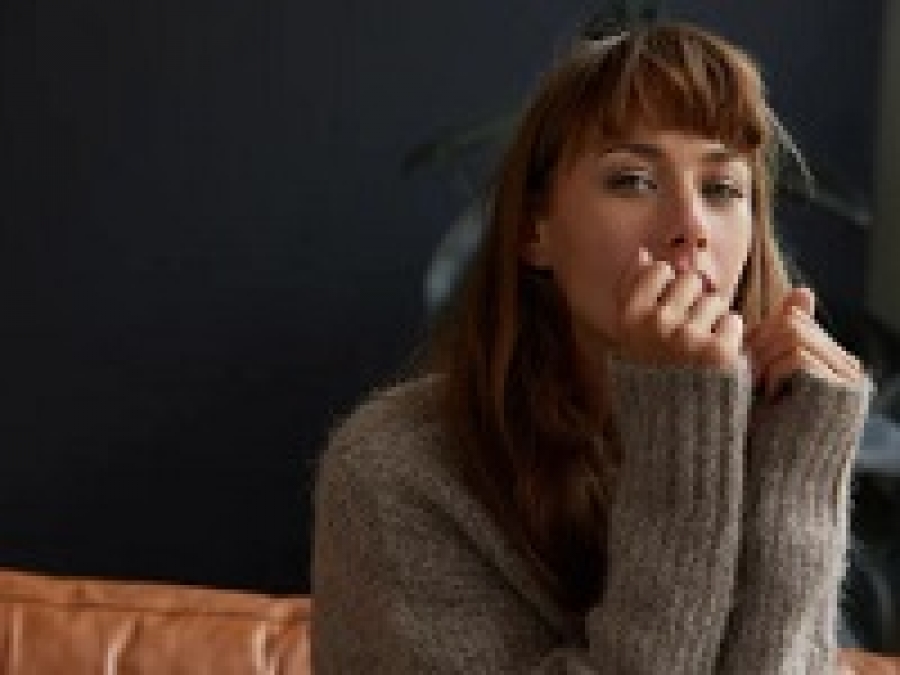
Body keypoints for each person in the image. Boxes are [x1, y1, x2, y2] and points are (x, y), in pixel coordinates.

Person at [312, 20, 871, 674]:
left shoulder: (776, 434)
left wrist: (798, 484)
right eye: (633, 180)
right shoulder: (395, 469)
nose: (690, 226)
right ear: (534, 230)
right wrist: (679, 430)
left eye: (722, 189)